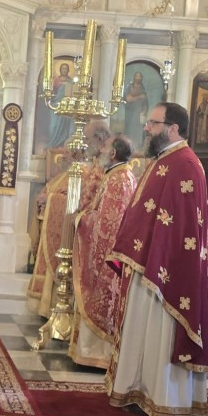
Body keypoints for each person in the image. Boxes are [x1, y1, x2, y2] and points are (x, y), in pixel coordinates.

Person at [106, 102, 208, 416]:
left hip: (165, 271)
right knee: (144, 329)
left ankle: (164, 396)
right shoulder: (165, 160)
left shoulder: (185, 164)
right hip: (147, 262)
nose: (146, 128)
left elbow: (181, 228)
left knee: (161, 332)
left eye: (153, 123)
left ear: (173, 128)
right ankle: (140, 389)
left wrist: (157, 260)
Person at [27, 119, 108, 316]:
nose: (84, 143)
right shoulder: (87, 168)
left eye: (86, 138)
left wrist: (51, 199)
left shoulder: (93, 170)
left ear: (98, 139)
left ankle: (59, 305)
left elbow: (82, 202)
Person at [69, 136, 138, 368]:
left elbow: (107, 223)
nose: (101, 150)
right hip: (114, 255)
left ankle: (97, 355)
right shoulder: (120, 175)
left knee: (103, 300)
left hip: (109, 257)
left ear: (113, 153)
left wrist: (81, 219)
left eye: (105, 147)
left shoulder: (118, 179)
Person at [47, 63, 75, 148]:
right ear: (60, 70)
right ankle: (52, 145)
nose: (64, 70)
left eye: (66, 69)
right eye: (63, 68)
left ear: (68, 70)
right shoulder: (56, 80)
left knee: (65, 127)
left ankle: (62, 145)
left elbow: (73, 92)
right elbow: (51, 91)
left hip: (67, 106)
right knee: (53, 127)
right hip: (56, 105)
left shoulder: (71, 81)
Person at [124, 72, 148, 142]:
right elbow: (128, 99)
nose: (138, 78)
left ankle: (138, 144)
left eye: (140, 76)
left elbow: (145, 102)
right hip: (131, 112)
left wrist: (144, 110)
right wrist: (140, 96)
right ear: (134, 77)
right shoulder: (130, 87)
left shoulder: (143, 88)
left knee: (139, 129)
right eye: (137, 76)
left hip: (139, 113)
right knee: (130, 128)